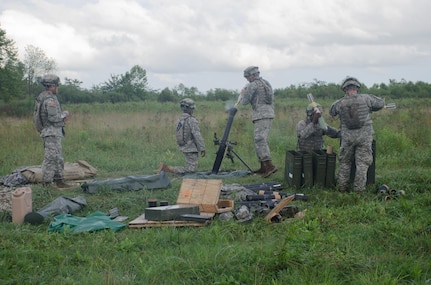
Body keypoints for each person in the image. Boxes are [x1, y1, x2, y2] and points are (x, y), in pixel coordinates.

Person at [329, 76, 385, 193]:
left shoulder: (339, 103)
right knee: (362, 164)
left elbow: (332, 112)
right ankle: (359, 190)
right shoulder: (366, 98)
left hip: (347, 137)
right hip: (364, 137)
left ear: (345, 89)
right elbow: (380, 103)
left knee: (344, 163)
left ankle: (342, 188)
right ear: (357, 88)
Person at [235, 66, 277, 178]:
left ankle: (269, 166)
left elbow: (244, 101)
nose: (247, 79)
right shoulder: (266, 82)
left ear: (252, 75)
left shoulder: (252, 85)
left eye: (247, 76)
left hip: (260, 115)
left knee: (260, 140)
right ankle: (263, 166)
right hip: (268, 113)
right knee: (260, 140)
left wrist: (243, 93)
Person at [35, 74, 74, 190]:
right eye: (57, 85)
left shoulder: (44, 97)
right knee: (50, 158)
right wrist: (65, 114)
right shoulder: (49, 100)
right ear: (51, 86)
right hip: (51, 132)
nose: (58, 87)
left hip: (53, 132)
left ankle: (59, 181)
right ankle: (46, 184)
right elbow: (53, 118)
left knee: (58, 157)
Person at [158, 98, 206, 174]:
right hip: (191, 147)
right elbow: (197, 135)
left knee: (190, 167)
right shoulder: (191, 120)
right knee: (191, 170)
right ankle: (167, 168)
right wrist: (202, 148)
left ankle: (168, 169)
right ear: (191, 109)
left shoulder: (179, 120)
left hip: (183, 146)